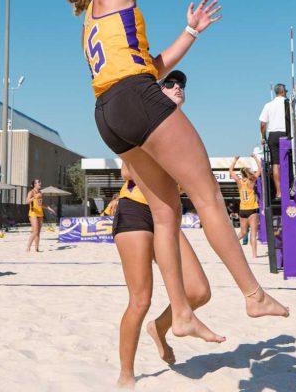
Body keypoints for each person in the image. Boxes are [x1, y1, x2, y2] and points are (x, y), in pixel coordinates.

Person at [67, 0, 288, 344]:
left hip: (107, 113)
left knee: (166, 214)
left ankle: (182, 313)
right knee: (208, 198)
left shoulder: (91, 23)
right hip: (135, 96)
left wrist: (190, 32)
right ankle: (253, 295)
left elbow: (154, 67)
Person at [109, 75, 213, 387]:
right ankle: (126, 373)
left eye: (182, 85)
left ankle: (160, 327)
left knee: (198, 291)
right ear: (157, 93)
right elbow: (127, 169)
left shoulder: (184, 131)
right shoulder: (141, 123)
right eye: (169, 84)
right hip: (136, 211)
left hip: (167, 215)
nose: (178, 87)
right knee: (140, 299)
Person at [258, 84, 289, 199]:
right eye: (286, 90)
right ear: (282, 91)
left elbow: (262, 124)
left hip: (273, 136)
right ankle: (289, 187)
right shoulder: (289, 103)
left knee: (275, 164)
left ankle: (278, 192)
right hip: (286, 134)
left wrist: (263, 137)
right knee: (289, 162)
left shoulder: (268, 105)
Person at [230, 153, 262, 258]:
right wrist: (255, 157)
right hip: (252, 210)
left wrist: (235, 160)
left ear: (242, 174)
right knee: (253, 233)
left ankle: (231, 245)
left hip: (242, 210)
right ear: (248, 173)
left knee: (243, 232)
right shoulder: (251, 181)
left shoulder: (239, 182)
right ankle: (254, 255)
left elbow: (230, 171)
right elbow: (260, 169)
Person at [25, 179, 49, 252]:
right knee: (35, 231)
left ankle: (36, 248)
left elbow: (40, 204)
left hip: (40, 213)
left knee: (38, 232)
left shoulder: (40, 193)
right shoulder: (31, 192)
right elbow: (27, 201)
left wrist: (49, 208)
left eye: (40, 182)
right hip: (33, 213)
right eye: (38, 182)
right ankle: (28, 247)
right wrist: (35, 197)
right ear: (34, 184)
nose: (40, 183)